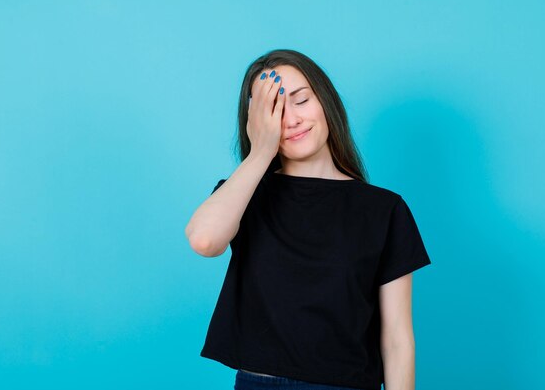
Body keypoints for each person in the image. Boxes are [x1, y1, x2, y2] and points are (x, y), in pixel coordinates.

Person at [185, 49, 432, 390]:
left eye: (300, 100)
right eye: (274, 111)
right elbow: (204, 240)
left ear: (325, 100)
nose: (291, 119)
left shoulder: (383, 210)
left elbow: (397, 340)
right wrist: (260, 153)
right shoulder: (243, 196)